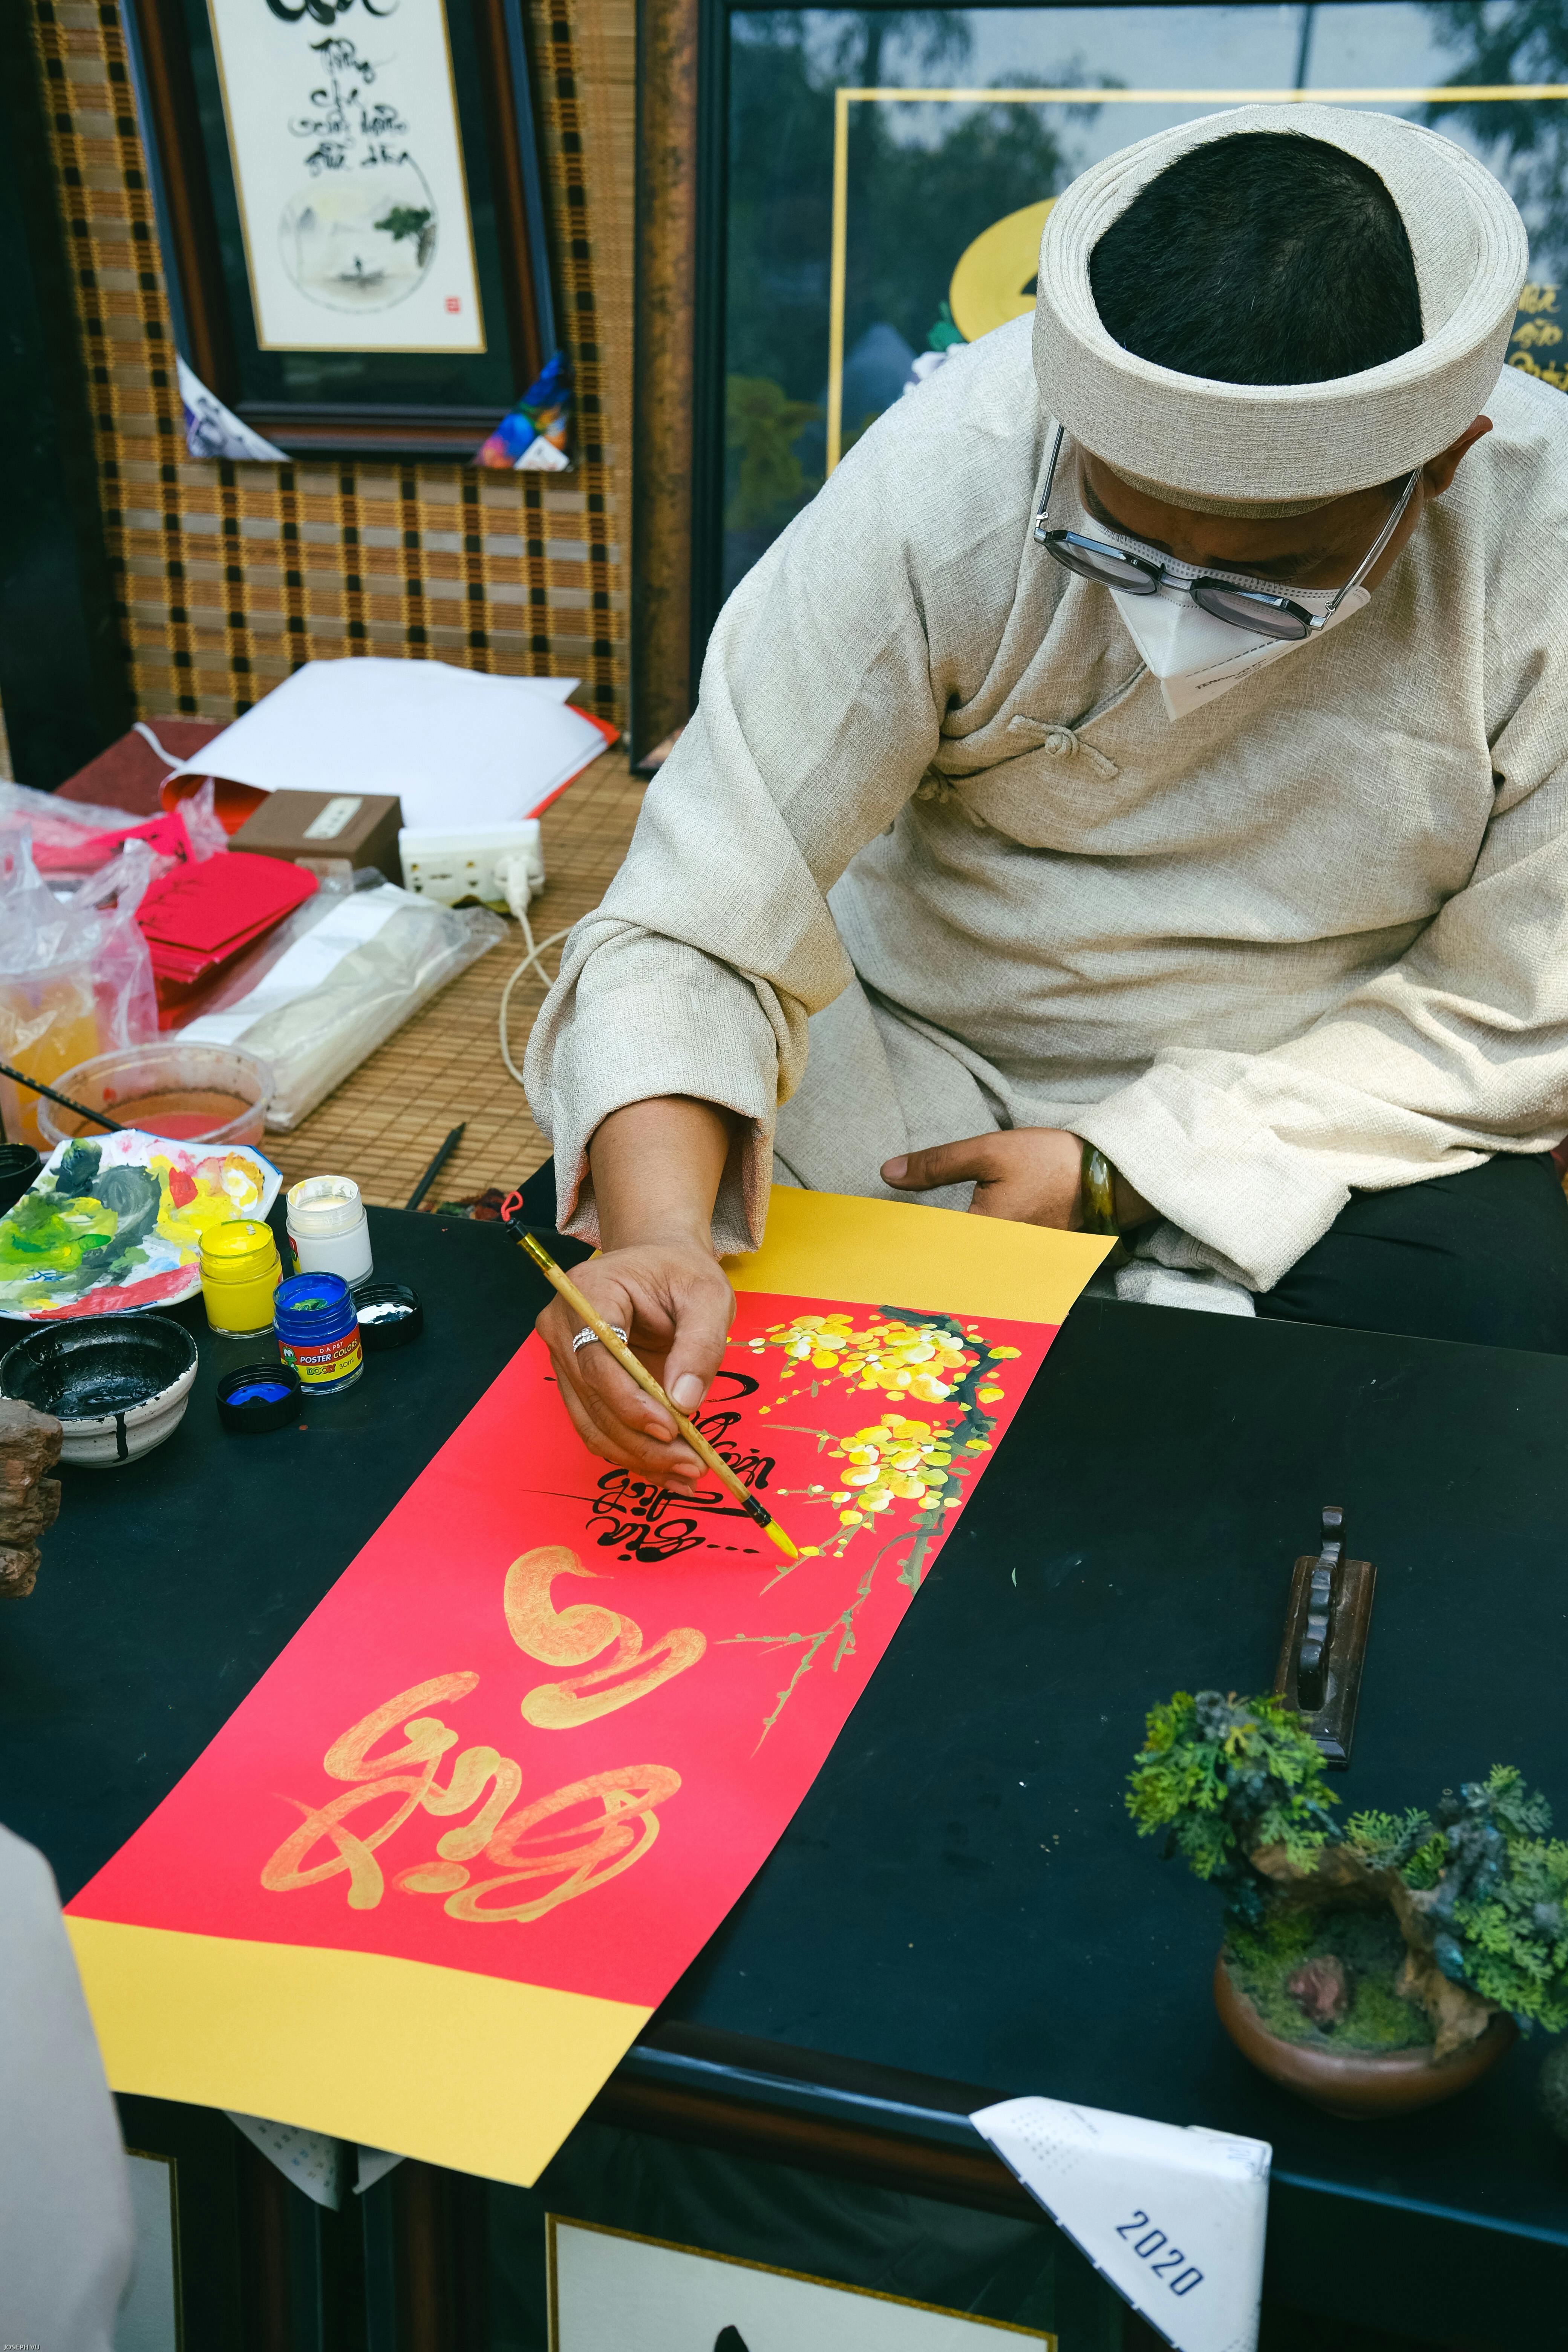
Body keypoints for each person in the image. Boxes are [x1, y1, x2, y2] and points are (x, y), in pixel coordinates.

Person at [526, 103, 1568, 1488]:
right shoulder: (952, 473)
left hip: (1319, 1080)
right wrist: (652, 1232)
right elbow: (713, 888)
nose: (1175, 624)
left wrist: (1120, 1166)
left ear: (1436, 464)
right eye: (1125, 546)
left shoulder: (1540, 548)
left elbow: (1507, 1000)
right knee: (672, 1258)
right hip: (919, 1058)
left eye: (1267, 573)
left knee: (1480, 1345)